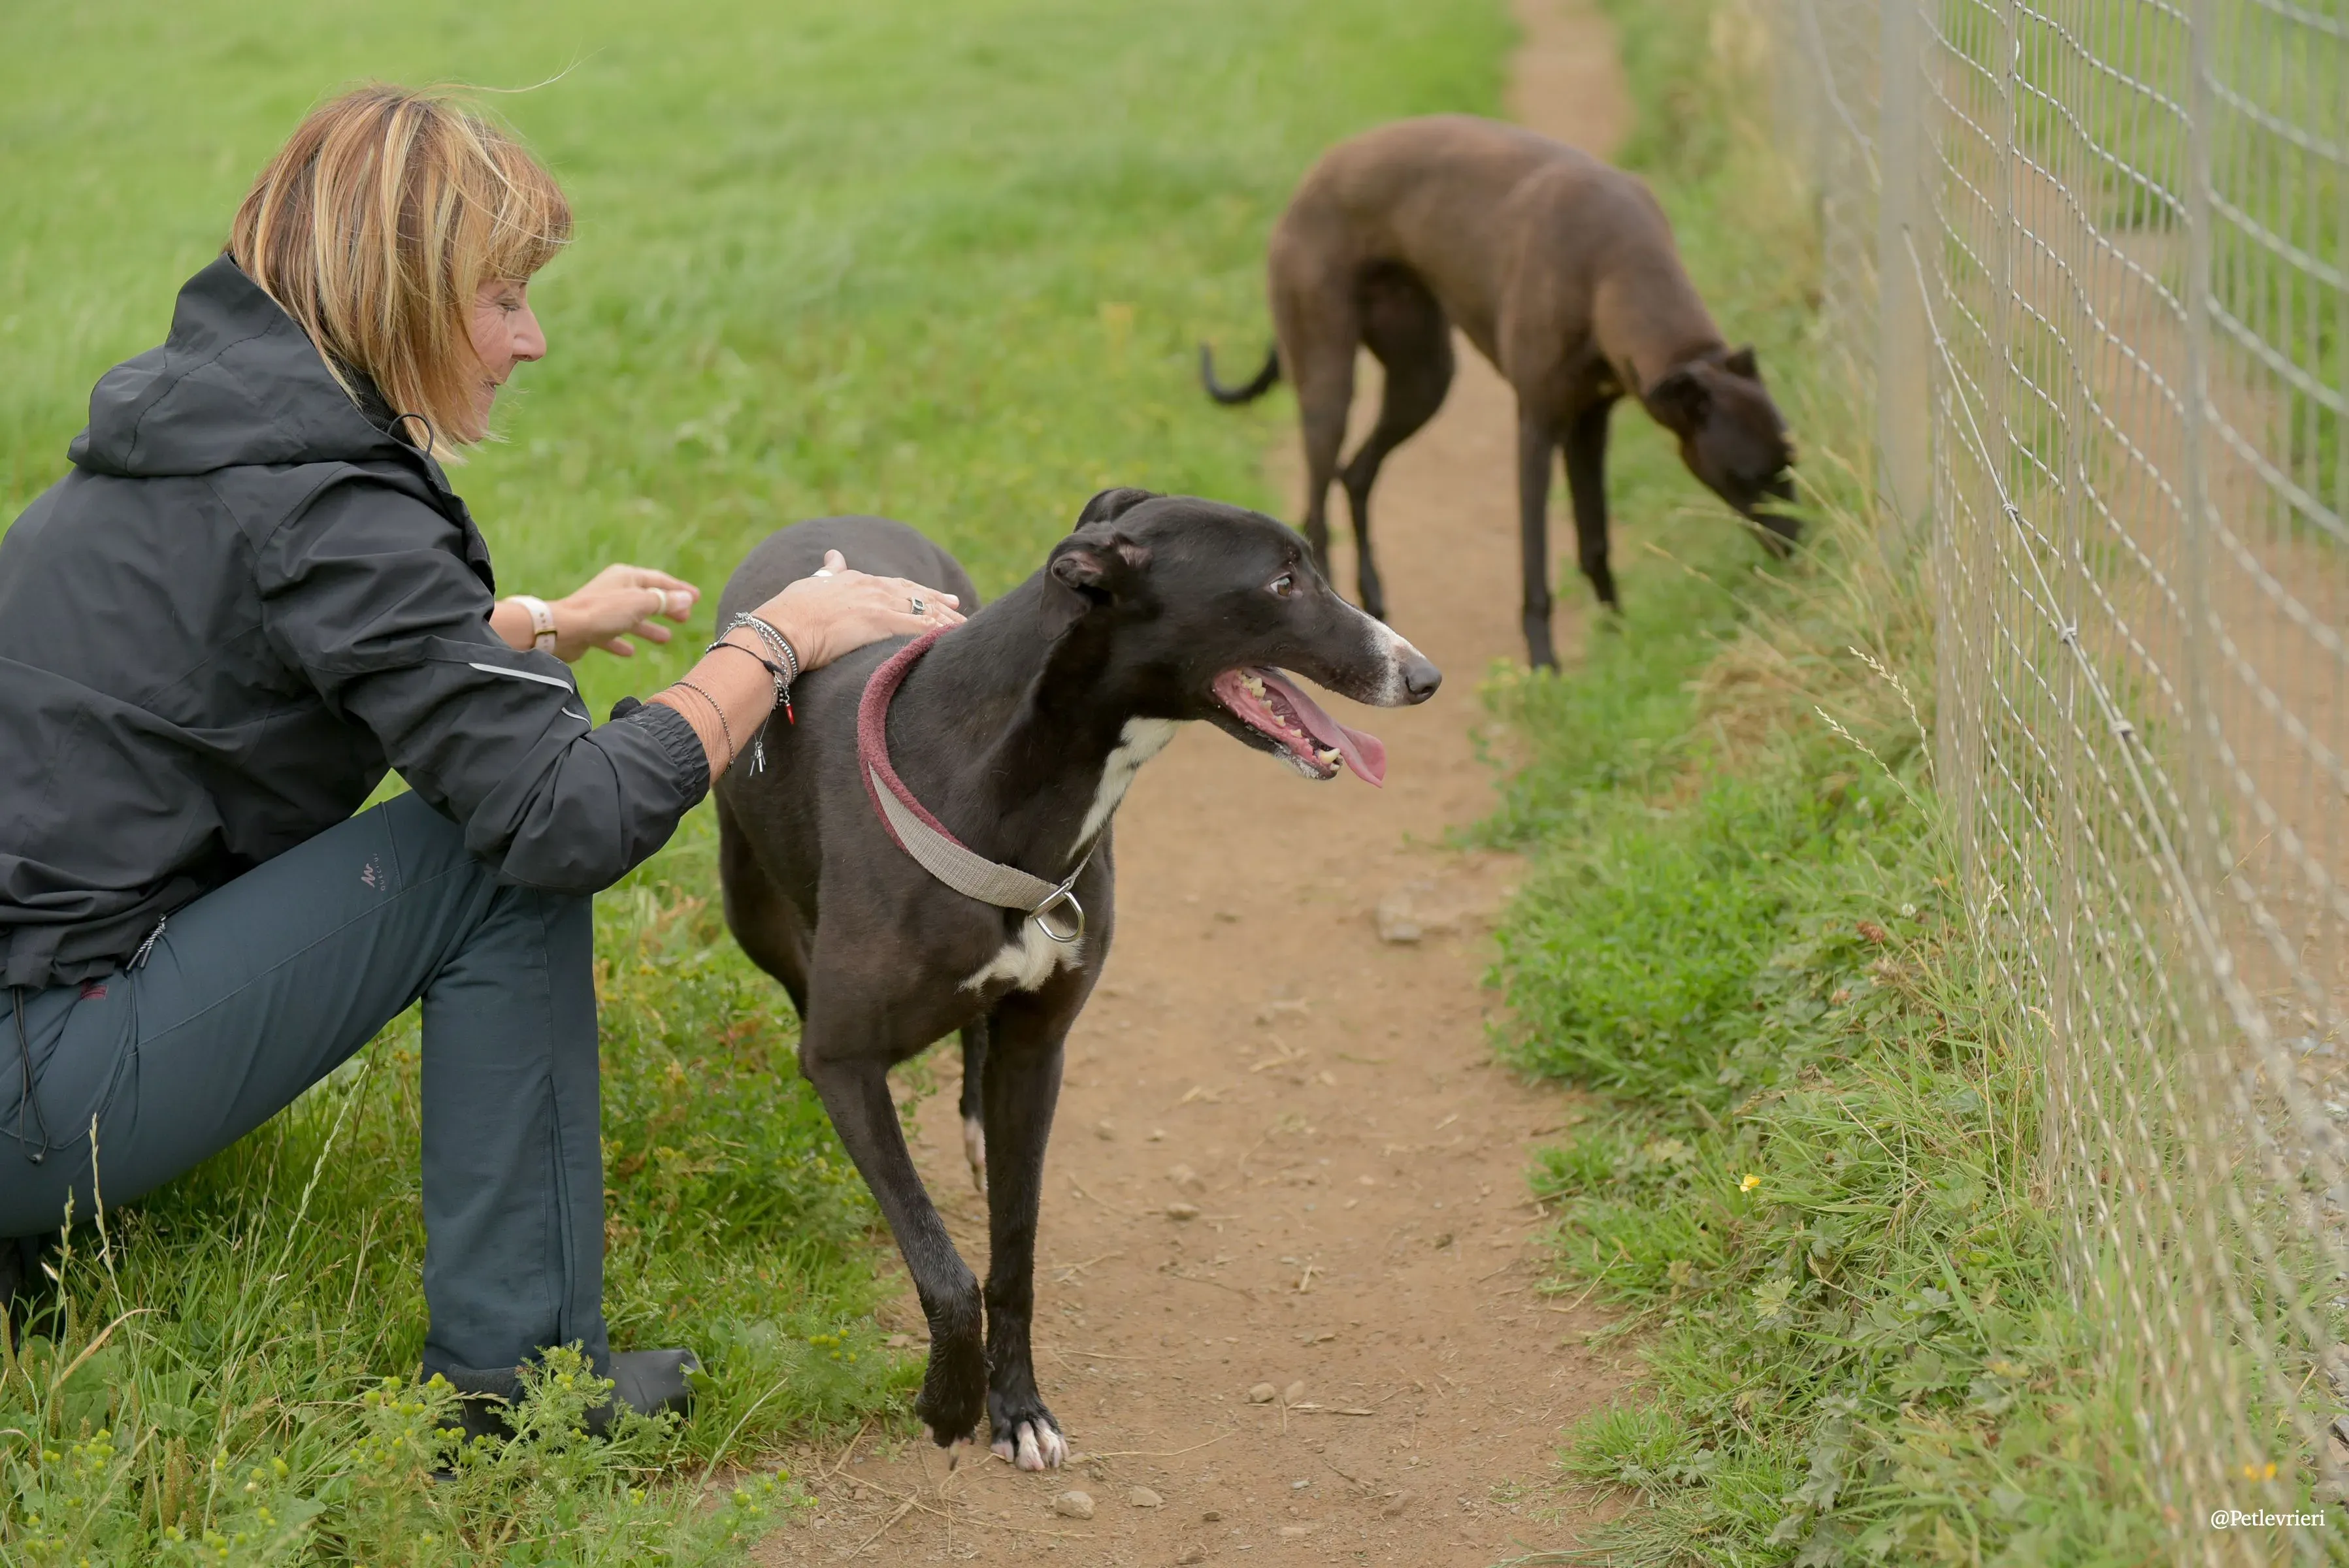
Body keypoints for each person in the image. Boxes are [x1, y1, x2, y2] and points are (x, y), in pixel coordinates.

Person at [0, 84, 964, 1431]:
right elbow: (564, 821)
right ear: (396, 291)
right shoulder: (323, 501)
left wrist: (533, 626)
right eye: (503, 297)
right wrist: (777, 638)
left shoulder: (207, 431)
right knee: (490, 851)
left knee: (493, 799)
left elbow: (246, 666)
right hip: (30, 1089)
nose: (535, 338)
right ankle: (526, 1386)